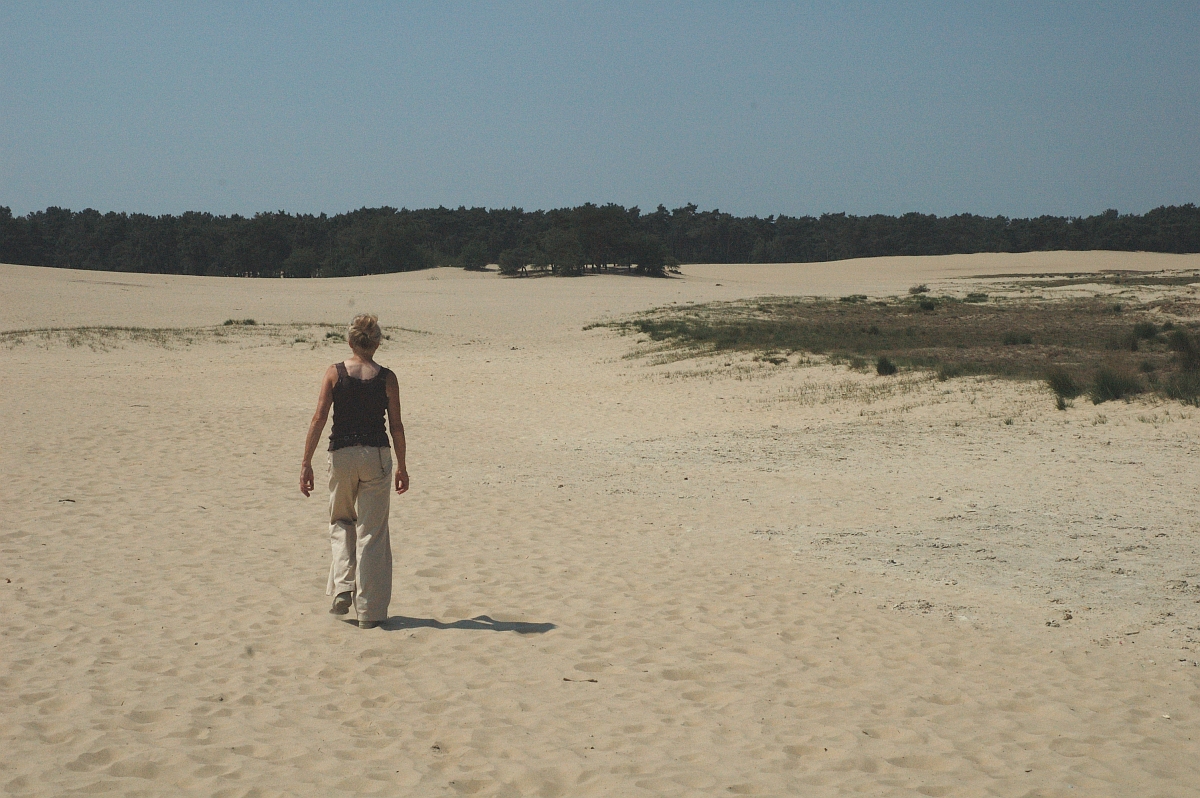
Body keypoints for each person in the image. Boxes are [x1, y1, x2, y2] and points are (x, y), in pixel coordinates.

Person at [300, 314, 409, 629]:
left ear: (350, 341)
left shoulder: (334, 373)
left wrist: (306, 462)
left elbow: (319, 418)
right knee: (372, 533)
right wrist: (402, 466)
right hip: (376, 454)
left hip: (342, 455)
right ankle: (370, 612)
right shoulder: (387, 377)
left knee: (341, 520)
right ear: (377, 343)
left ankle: (343, 585)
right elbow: (396, 426)